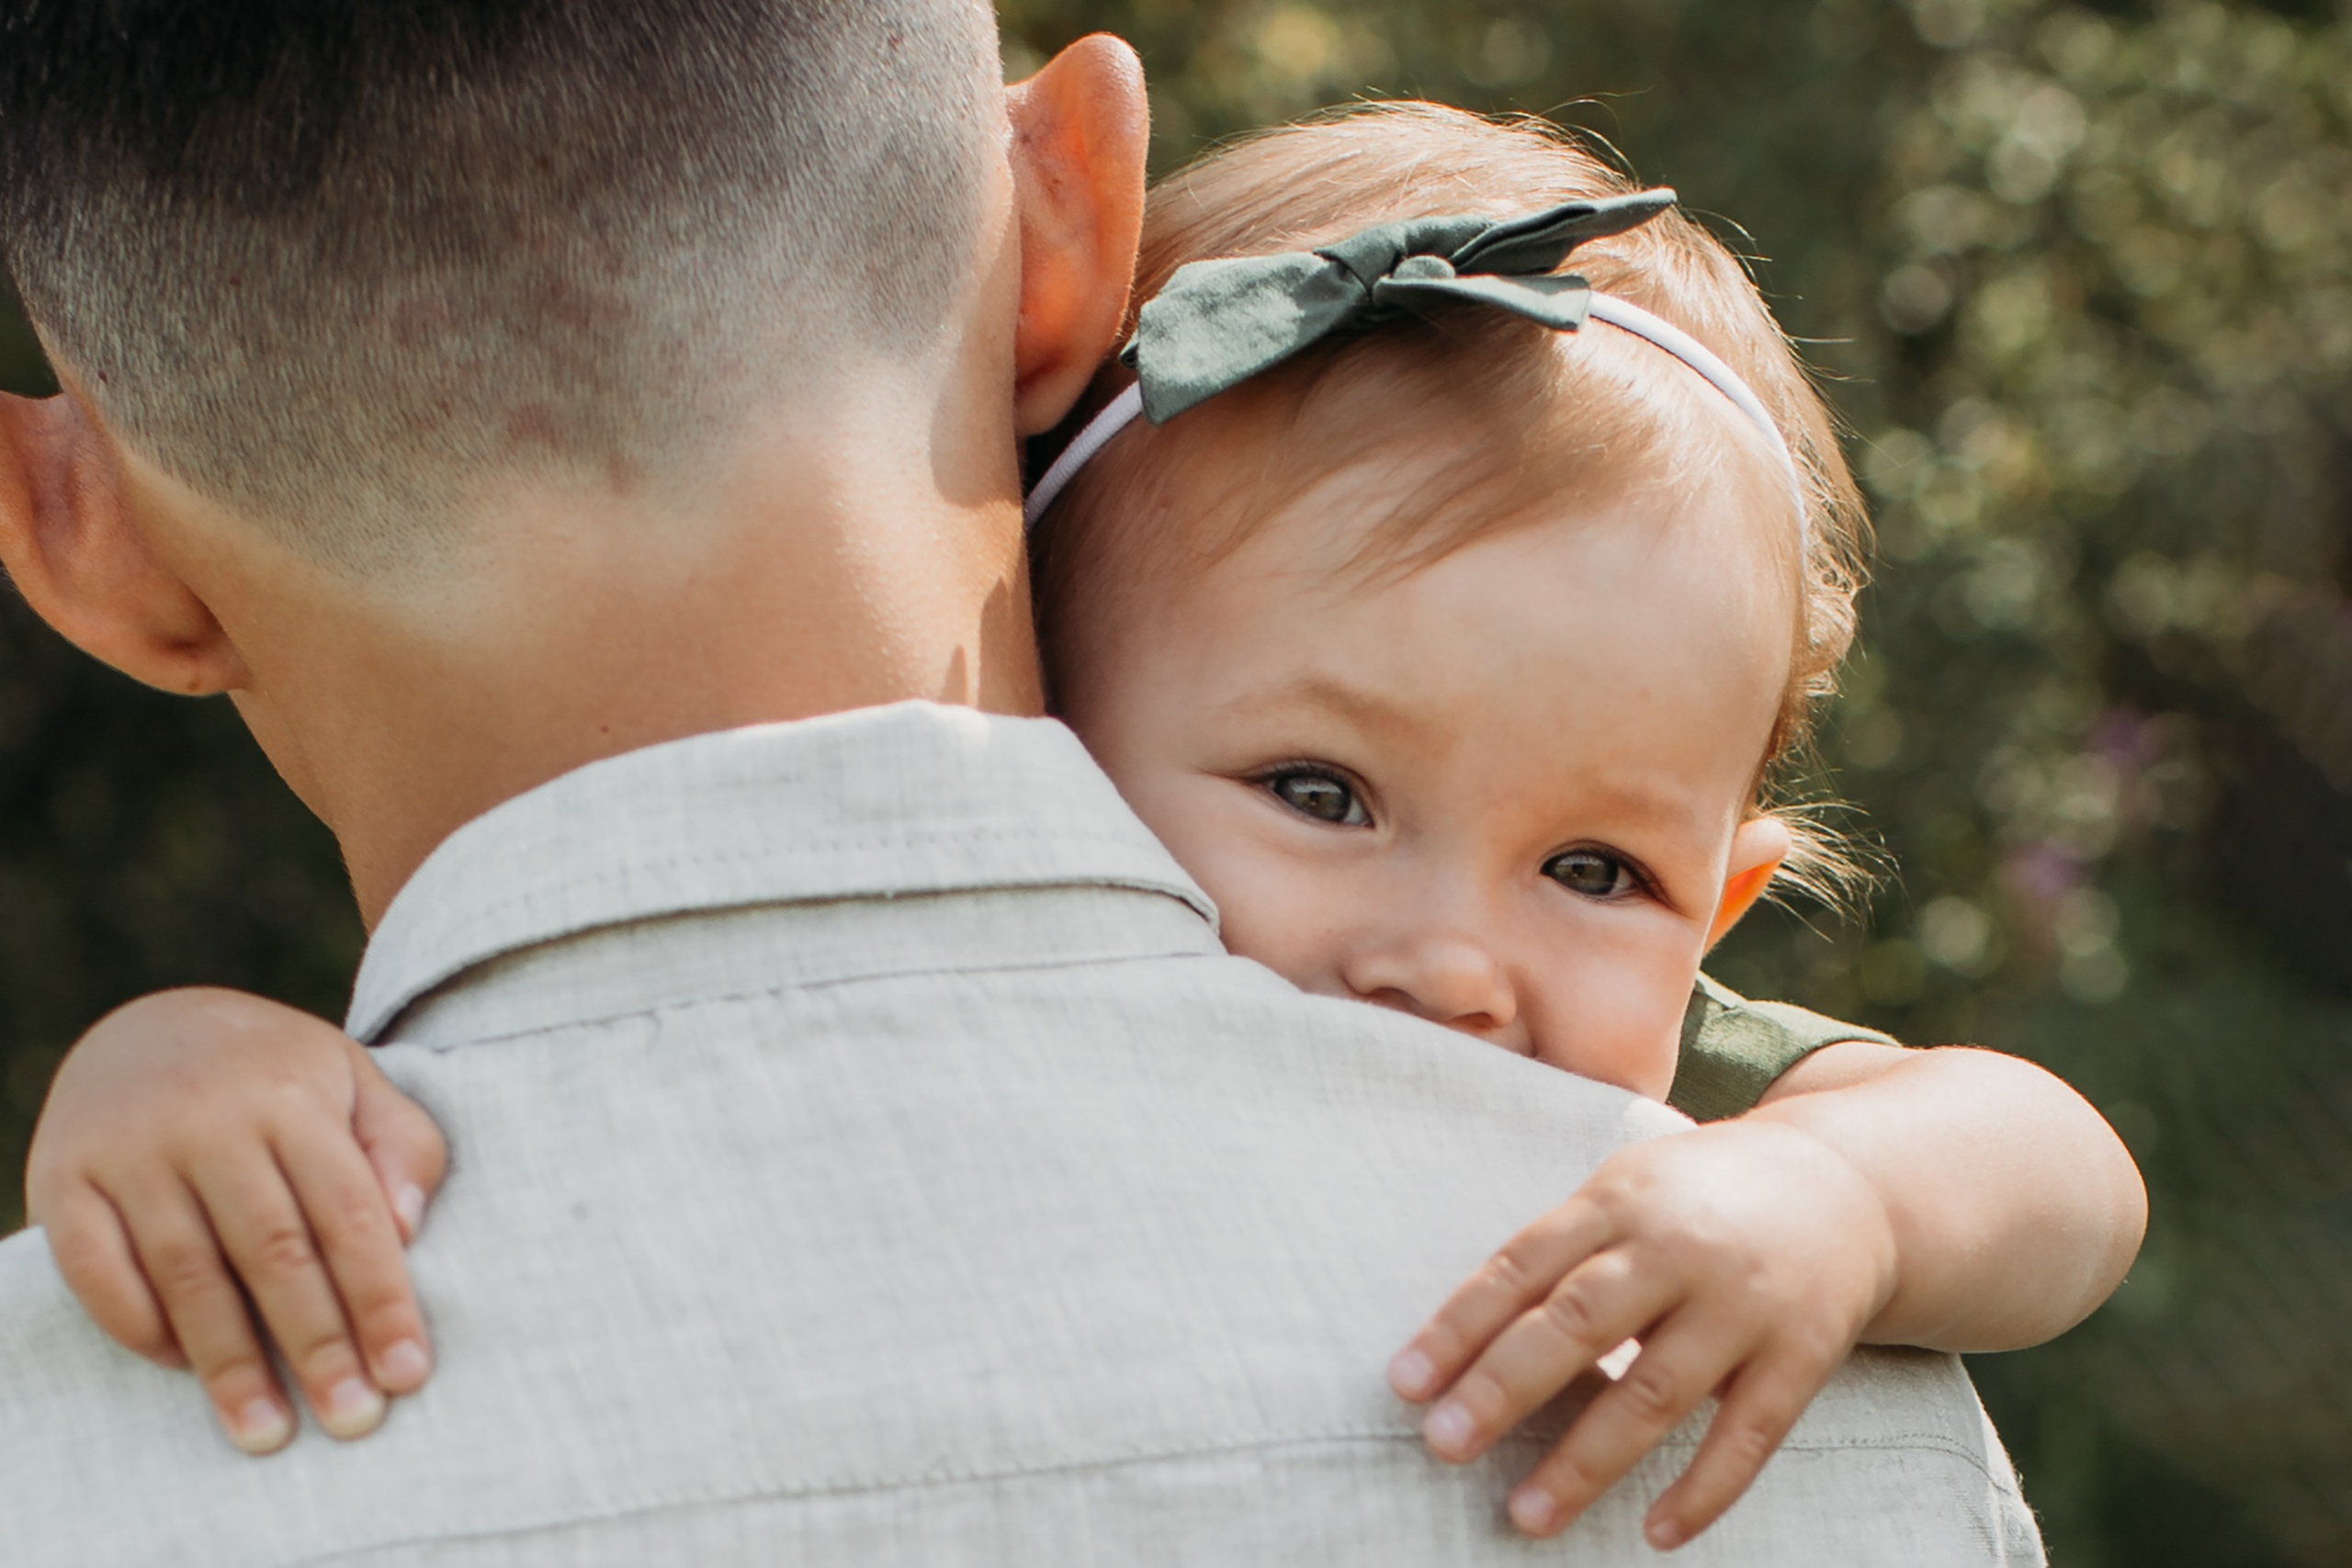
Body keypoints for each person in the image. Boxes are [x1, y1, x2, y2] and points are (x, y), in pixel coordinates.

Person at [0, 4, 2046, 1562]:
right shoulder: (1791, 1435)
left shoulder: (118, 1412)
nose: (1444, 959)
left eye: (1594, 864)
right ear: (1063, 226)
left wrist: (1837, 1184)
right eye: (1319, 792)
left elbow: (2008, 1152)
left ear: (80, 534)